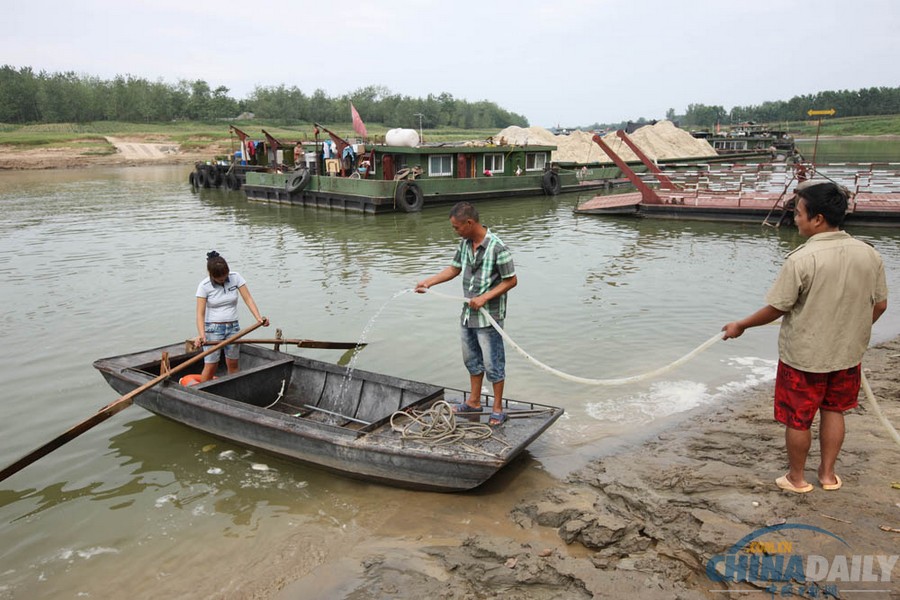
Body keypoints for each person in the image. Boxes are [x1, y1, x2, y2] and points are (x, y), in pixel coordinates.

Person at [721, 182, 888, 493]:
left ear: (818, 219)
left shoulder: (802, 259)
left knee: (798, 419)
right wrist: (853, 330)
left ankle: (796, 478)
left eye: (798, 213)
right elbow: (879, 305)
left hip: (804, 357)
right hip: (847, 354)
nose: (794, 219)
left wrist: (740, 325)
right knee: (834, 410)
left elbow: (776, 309)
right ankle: (827, 475)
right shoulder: (869, 254)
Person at [416, 202, 517, 426]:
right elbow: (454, 268)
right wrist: (428, 282)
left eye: (457, 227)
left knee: (493, 363)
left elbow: (511, 281)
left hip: (489, 317)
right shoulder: (465, 244)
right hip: (467, 316)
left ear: (470, 223)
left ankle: (498, 408)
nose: (456, 231)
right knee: (471, 360)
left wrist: (485, 297)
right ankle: (474, 401)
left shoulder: (497, 248)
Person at [193, 250, 269, 382]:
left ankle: (234, 390)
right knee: (211, 365)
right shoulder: (204, 286)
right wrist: (202, 335)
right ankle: (200, 393)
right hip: (213, 330)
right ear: (211, 275)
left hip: (233, 328)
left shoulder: (235, 277)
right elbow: (200, 314)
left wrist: (258, 318)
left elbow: (248, 299)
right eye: (219, 278)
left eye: (225, 276)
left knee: (233, 364)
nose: (223, 279)